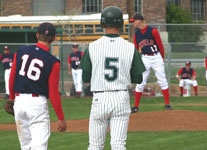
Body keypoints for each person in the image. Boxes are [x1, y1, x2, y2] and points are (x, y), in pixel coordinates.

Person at [80, 6, 145, 150]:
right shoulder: (130, 47)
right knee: (118, 145)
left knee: (95, 146)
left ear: (102, 23)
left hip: (100, 97)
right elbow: (138, 78)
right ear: (120, 23)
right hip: (121, 97)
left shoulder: (92, 47)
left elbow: (85, 77)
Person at [8, 22, 67, 150]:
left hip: (19, 102)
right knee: (39, 146)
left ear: (37, 35)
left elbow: (12, 77)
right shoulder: (53, 62)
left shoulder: (21, 51)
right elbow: (53, 93)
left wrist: (12, 98)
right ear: (54, 38)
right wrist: (61, 117)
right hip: (37, 104)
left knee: (25, 146)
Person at [129, 13, 172, 113]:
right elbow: (136, 49)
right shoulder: (136, 35)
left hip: (156, 57)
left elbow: (160, 45)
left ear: (139, 20)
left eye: (134, 21)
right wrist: (135, 62)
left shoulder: (153, 31)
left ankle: (167, 104)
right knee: (141, 81)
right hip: (145, 58)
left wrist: (162, 58)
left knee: (162, 80)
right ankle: (135, 106)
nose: (133, 23)